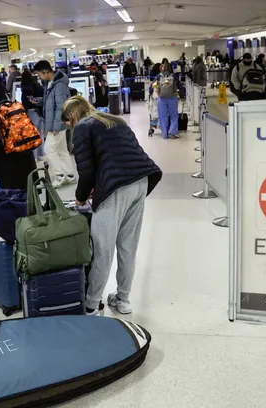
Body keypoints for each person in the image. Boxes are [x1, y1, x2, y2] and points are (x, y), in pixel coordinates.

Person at [61, 96, 162, 316]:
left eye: (67, 120)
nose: (67, 125)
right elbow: (114, 157)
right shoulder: (114, 120)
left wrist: (79, 198)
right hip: (141, 181)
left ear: (73, 115)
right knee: (127, 247)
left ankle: (90, 304)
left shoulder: (83, 128)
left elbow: (86, 171)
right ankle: (123, 299)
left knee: (102, 249)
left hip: (117, 188)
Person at [34, 60, 76, 188]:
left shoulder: (59, 85)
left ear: (45, 72)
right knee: (62, 149)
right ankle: (70, 175)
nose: (39, 77)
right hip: (56, 122)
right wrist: (39, 101)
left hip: (58, 124)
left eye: (39, 74)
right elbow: (51, 103)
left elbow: (61, 107)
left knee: (49, 149)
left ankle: (60, 175)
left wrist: (57, 126)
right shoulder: (51, 83)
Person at [20, 69, 45, 160]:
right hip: (40, 113)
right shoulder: (38, 87)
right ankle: (40, 154)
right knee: (40, 133)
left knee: (32, 135)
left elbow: (24, 102)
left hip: (31, 112)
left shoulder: (25, 89)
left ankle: (34, 156)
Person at [155, 63, 179, 139]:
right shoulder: (174, 76)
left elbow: (153, 85)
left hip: (161, 98)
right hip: (172, 97)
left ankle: (165, 134)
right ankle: (173, 131)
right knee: (174, 115)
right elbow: (180, 86)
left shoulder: (159, 76)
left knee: (163, 116)